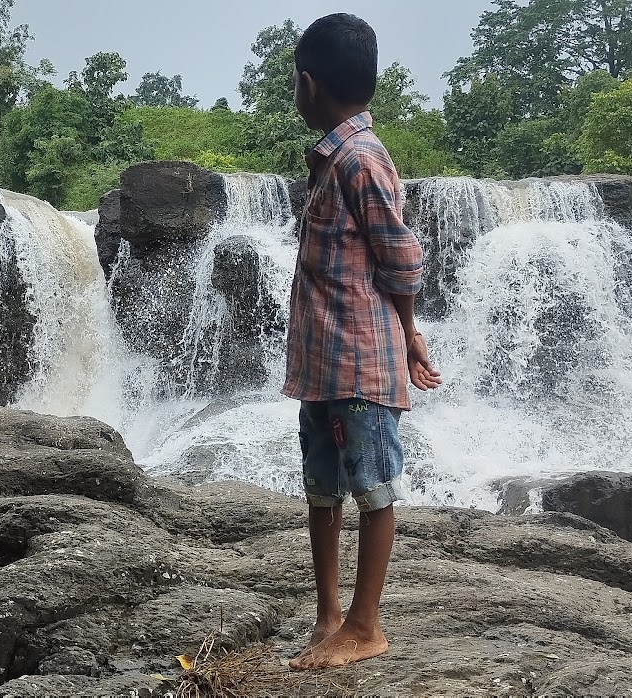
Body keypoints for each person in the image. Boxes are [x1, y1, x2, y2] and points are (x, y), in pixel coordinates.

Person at [283, 13, 442, 670]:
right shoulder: (334, 157)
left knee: (374, 488)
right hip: (323, 364)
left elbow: (399, 256)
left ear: (309, 84)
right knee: (322, 486)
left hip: (359, 359)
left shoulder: (361, 158)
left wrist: (407, 334)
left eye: (294, 82)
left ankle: (366, 624)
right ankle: (328, 615)